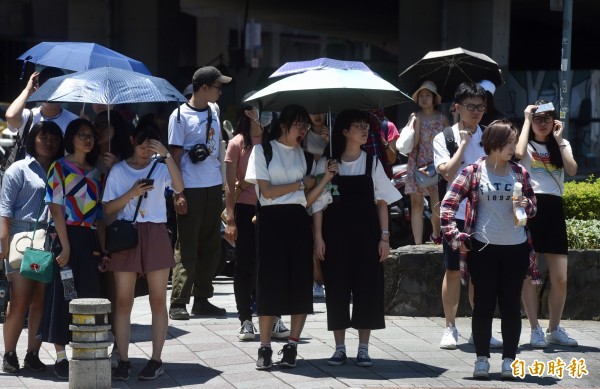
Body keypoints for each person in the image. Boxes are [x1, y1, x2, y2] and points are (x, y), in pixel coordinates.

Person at [440, 119, 537, 379]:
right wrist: (456, 236)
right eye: (509, 143)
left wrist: (526, 204)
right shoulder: (473, 171)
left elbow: (533, 208)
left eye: (514, 143)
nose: (513, 148)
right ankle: (481, 359)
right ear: (493, 144)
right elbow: (447, 205)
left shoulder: (520, 172)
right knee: (483, 304)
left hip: (515, 247)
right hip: (483, 248)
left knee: (510, 306)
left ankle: (509, 361)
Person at [245, 104, 337, 370]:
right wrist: (299, 184)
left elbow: (307, 202)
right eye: (300, 125)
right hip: (271, 221)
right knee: (268, 282)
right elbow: (267, 192)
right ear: (285, 123)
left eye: (306, 127)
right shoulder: (263, 150)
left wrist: (324, 178)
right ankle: (264, 347)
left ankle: (292, 345)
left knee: (300, 283)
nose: (304, 131)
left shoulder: (306, 157)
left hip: (297, 221)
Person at [312, 109, 400, 367]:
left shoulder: (372, 162)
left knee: (368, 290)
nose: (365, 130)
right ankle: (339, 348)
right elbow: (317, 204)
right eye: (358, 126)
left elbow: (382, 202)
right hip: (334, 237)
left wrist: (385, 238)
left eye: (366, 126)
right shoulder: (327, 163)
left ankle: (363, 348)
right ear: (344, 132)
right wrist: (318, 237)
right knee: (336, 290)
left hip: (367, 238)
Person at [103, 121, 184, 381]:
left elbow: (180, 187)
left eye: (151, 145)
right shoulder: (118, 170)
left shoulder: (160, 168)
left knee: (158, 300)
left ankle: (156, 359)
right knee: (124, 301)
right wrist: (132, 192)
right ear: (131, 140)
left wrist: (167, 154)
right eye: (141, 144)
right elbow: (107, 209)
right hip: (127, 234)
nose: (145, 150)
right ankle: (123, 359)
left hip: (156, 232)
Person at [433, 82, 503, 349]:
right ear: (457, 107)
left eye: (481, 106)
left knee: (480, 274)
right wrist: (462, 144)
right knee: (452, 270)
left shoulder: (490, 135)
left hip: (484, 214)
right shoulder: (445, 138)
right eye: (471, 106)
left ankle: (479, 328)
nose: (477, 111)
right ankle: (450, 327)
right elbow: (447, 173)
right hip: (455, 215)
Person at [38, 118, 106, 380]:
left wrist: (102, 250)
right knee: (62, 295)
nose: (87, 139)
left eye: (91, 135)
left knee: (87, 295)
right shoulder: (59, 167)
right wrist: (64, 247)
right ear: (71, 138)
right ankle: (60, 357)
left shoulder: (95, 172)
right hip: (63, 236)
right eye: (81, 135)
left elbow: (98, 215)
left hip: (88, 239)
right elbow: (55, 209)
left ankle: (85, 349)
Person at [167, 66, 231, 320]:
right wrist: (178, 192)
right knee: (187, 246)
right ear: (204, 87)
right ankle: (179, 301)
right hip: (189, 188)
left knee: (211, 245)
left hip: (213, 185)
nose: (221, 92)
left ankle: (203, 298)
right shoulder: (180, 116)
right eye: (218, 87)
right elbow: (174, 155)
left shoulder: (214, 110)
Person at [224, 95, 289, 341]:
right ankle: (245, 320)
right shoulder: (237, 143)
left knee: (272, 264)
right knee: (245, 265)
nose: (267, 115)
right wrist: (230, 218)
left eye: (269, 110)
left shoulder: (275, 142)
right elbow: (229, 185)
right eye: (262, 109)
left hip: (273, 208)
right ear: (249, 112)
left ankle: (275, 317)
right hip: (245, 209)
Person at [0, 121, 64, 373]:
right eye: (43, 136)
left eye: (54, 137)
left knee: (41, 301)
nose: (49, 141)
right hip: (23, 240)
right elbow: (4, 210)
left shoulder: (62, 169)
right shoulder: (19, 168)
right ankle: (9, 354)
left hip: (51, 240)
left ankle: (33, 354)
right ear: (33, 139)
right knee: (19, 300)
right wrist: (2, 247)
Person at [516, 100, 579, 348]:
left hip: (554, 209)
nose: (542, 123)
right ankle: (534, 329)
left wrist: (560, 139)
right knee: (529, 275)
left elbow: (572, 170)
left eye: (546, 118)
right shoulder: (526, 142)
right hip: (531, 208)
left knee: (561, 277)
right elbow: (519, 154)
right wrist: (525, 119)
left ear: (554, 121)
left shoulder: (561, 145)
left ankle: (554, 328)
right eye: (537, 118)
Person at [405, 81, 449, 245]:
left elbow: (450, 140)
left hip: (437, 163)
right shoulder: (414, 116)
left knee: (437, 204)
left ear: (434, 98)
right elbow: (413, 144)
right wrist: (415, 124)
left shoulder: (442, 118)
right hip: (416, 163)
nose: (424, 99)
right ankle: (417, 244)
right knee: (416, 205)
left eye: (428, 95)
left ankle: (436, 235)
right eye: (421, 95)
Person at [5, 67, 78, 136]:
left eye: (56, 87)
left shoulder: (74, 121)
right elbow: (11, 116)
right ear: (37, 88)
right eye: (47, 87)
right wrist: (27, 90)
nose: (51, 92)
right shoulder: (28, 116)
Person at [304, 112, 329, 299]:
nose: (318, 115)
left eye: (321, 111)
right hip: (310, 189)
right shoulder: (303, 134)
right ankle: (316, 280)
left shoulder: (334, 132)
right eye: (313, 112)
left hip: (330, 191)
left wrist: (329, 143)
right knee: (313, 237)